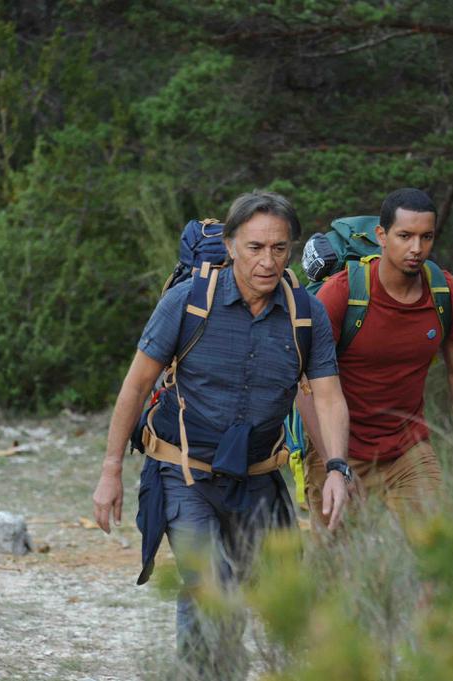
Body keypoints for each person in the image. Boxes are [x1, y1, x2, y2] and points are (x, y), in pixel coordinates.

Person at [91, 191, 351, 677]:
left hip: (257, 478)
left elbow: (328, 396)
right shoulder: (187, 302)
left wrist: (336, 467)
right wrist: (110, 471)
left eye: (279, 248)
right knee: (210, 584)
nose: (267, 260)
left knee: (262, 593)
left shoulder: (306, 314)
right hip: (183, 471)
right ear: (230, 246)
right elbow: (137, 384)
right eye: (255, 247)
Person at [299, 188, 453, 526]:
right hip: (339, 449)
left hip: (408, 449)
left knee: (439, 544)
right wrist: (335, 464)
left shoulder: (445, 293)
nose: (417, 248)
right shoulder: (341, 293)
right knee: (336, 555)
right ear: (381, 236)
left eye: (426, 237)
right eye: (405, 236)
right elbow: (304, 382)